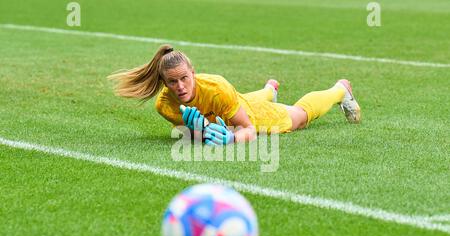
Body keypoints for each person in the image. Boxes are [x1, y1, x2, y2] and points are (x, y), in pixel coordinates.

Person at [108, 44, 361, 145]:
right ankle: (268, 90)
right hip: (231, 106)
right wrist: (199, 133)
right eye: (172, 82)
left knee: (298, 118)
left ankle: (340, 89)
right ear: (164, 82)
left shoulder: (216, 88)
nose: (180, 86)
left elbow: (247, 129)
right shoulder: (164, 106)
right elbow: (199, 134)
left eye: (185, 78)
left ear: (193, 73)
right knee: (234, 106)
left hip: (245, 112)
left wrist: (230, 140)